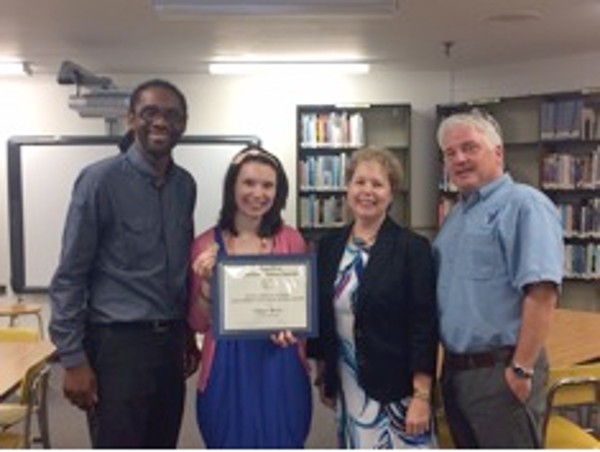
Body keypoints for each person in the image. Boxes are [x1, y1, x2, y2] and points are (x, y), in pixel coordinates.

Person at [49, 79, 198, 448]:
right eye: (150, 113)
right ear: (132, 119)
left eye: (171, 115)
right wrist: (72, 359)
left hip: (170, 347)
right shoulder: (99, 181)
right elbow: (70, 275)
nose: (161, 122)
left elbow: (180, 266)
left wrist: (187, 334)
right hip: (118, 347)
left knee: (163, 442)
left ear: (184, 123)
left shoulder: (185, 186)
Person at [433, 109, 564, 448]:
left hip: (502, 370)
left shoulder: (524, 205)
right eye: (450, 153)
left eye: (469, 147)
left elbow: (542, 293)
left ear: (498, 152)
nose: (459, 159)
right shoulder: (456, 216)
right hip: (456, 371)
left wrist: (521, 369)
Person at [307, 146, 438, 448]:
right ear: (348, 188)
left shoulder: (411, 248)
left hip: (398, 392)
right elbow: (322, 315)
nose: (367, 191)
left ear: (391, 195)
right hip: (348, 384)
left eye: (378, 184)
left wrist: (421, 396)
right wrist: (324, 375)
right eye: (360, 182)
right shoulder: (329, 246)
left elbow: (423, 326)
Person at [188, 145, 312, 448]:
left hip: (279, 362)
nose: (258, 193)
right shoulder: (206, 244)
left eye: (268, 185)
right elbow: (198, 321)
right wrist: (206, 287)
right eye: (249, 183)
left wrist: (293, 331)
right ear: (232, 186)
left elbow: (301, 309)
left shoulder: (291, 239)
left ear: (278, 191)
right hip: (227, 366)